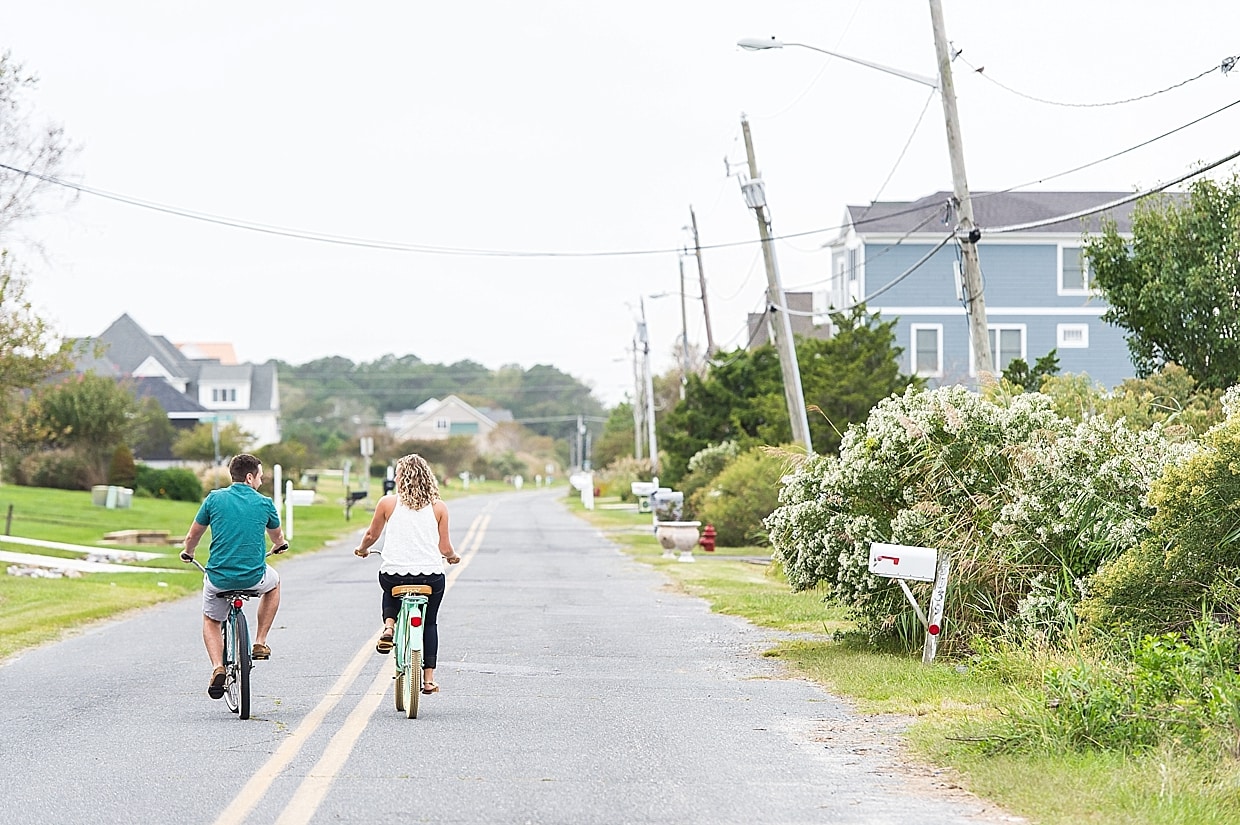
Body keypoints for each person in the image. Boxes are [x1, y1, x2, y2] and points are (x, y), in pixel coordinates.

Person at [181, 453, 288, 699]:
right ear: (250, 477)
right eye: (260, 477)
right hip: (253, 576)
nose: (261, 482)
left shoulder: (214, 499)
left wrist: (188, 553)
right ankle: (260, 640)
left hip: (219, 578)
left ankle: (218, 666)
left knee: (211, 620)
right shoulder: (264, 503)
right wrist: (280, 546)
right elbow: (277, 538)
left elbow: (192, 536)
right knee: (275, 583)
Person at [354, 453, 460, 695]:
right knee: (430, 621)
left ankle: (389, 626)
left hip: (395, 575)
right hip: (430, 577)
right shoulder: (439, 508)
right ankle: (428, 680)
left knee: (389, 583)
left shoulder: (387, 503)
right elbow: (444, 548)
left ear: (400, 478)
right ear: (427, 478)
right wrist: (452, 557)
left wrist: (363, 549)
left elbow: (371, 535)